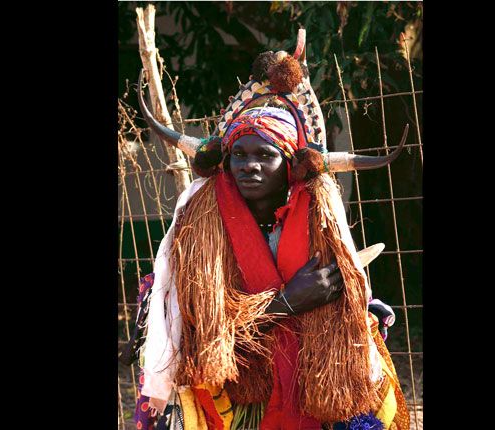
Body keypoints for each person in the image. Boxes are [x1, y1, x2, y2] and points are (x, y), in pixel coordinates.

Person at [128, 30, 410, 430]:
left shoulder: (317, 222)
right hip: (236, 392)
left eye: (265, 154)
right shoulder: (201, 234)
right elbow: (202, 337)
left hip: (317, 383)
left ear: (292, 166)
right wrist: (288, 301)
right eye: (239, 155)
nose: (249, 166)